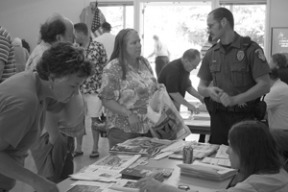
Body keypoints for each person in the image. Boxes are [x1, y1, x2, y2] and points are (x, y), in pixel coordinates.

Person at [0, 41, 92, 192]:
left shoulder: (40, 87)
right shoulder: (25, 102)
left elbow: (72, 118)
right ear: (53, 76)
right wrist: (37, 181)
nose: (76, 92)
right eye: (73, 86)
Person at [136, 120, 288, 192]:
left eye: (232, 147)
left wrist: (160, 187)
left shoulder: (249, 187)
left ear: (247, 153)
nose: (227, 151)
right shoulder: (279, 173)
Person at [197, 7, 270, 145]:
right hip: (219, 121)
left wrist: (235, 99)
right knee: (216, 161)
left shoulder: (250, 49)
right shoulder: (211, 53)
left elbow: (265, 85)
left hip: (244, 120)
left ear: (223, 22)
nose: (209, 30)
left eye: (211, 25)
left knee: (244, 162)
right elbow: (201, 86)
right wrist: (208, 91)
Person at [26, 13, 84, 182]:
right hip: (52, 135)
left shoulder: (49, 53)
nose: (73, 42)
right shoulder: (44, 56)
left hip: (59, 134)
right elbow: (44, 99)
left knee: (60, 180)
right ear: (59, 37)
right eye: (71, 37)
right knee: (52, 182)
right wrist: (55, 136)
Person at [99, 28, 158, 148]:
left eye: (139, 41)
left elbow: (151, 85)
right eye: (133, 43)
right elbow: (106, 99)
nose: (138, 45)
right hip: (123, 128)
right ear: (122, 46)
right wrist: (128, 114)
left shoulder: (144, 63)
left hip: (148, 126)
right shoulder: (113, 68)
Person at [74, 22, 108, 158]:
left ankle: (95, 148)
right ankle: (78, 147)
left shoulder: (98, 47)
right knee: (78, 120)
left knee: (95, 120)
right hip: (79, 90)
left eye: (75, 33)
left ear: (81, 33)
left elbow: (105, 66)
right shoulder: (75, 49)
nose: (74, 36)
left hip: (94, 90)